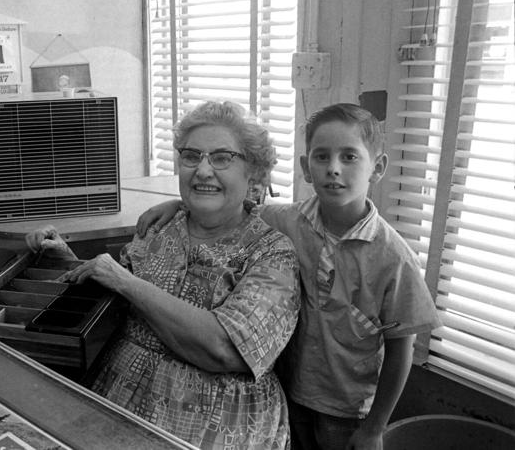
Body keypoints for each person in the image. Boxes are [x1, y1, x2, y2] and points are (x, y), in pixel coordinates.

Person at [137, 103, 442, 450]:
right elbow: (229, 205)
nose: (334, 169)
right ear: (305, 168)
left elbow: (401, 351)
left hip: (347, 409)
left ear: (378, 168)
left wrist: (374, 429)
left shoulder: (394, 258)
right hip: (292, 391)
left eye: (350, 157)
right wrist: (178, 205)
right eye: (322, 157)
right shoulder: (286, 220)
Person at [26, 101, 301, 449]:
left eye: (221, 158)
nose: (202, 170)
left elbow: (225, 349)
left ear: (254, 173)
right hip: (116, 404)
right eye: (191, 156)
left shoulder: (272, 253)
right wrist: (65, 259)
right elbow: (114, 305)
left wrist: (126, 282)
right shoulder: (159, 226)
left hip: (217, 428)